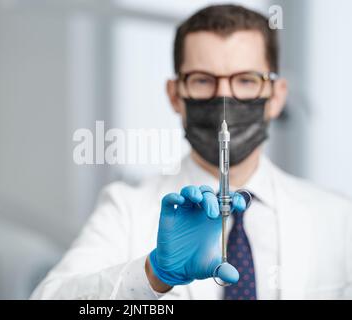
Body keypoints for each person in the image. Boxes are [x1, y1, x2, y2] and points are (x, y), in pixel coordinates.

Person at [31, 4, 352, 300]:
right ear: (174, 94)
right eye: (202, 80)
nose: (224, 98)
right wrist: (153, 274)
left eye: (245, 80)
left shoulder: (338, 218)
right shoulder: (125, 210)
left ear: (277, 95)